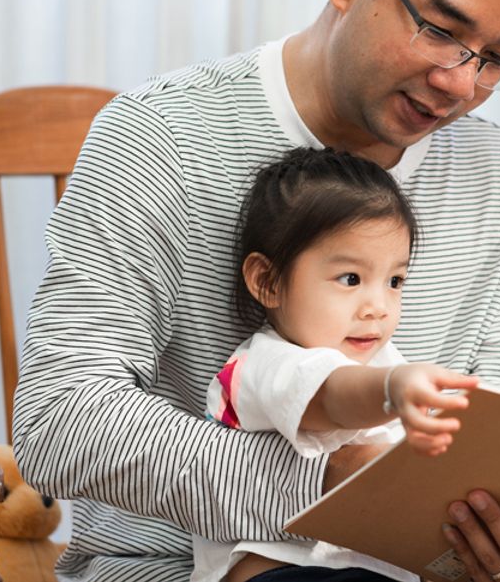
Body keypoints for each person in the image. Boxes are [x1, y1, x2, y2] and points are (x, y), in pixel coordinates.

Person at [13, 0, 500, 581]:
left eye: (494, 58)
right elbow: (59, 419)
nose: (462, 84)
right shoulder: (160, 139)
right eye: (440, 31)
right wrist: (330, 485)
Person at [192, 147, 477, 582]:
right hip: (281, 571)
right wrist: (393, 390)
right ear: (267, 282)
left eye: (394, 281)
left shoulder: (385, 362)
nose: (378, 307)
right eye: (351, 279)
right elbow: (332, 396)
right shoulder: (260, 365)